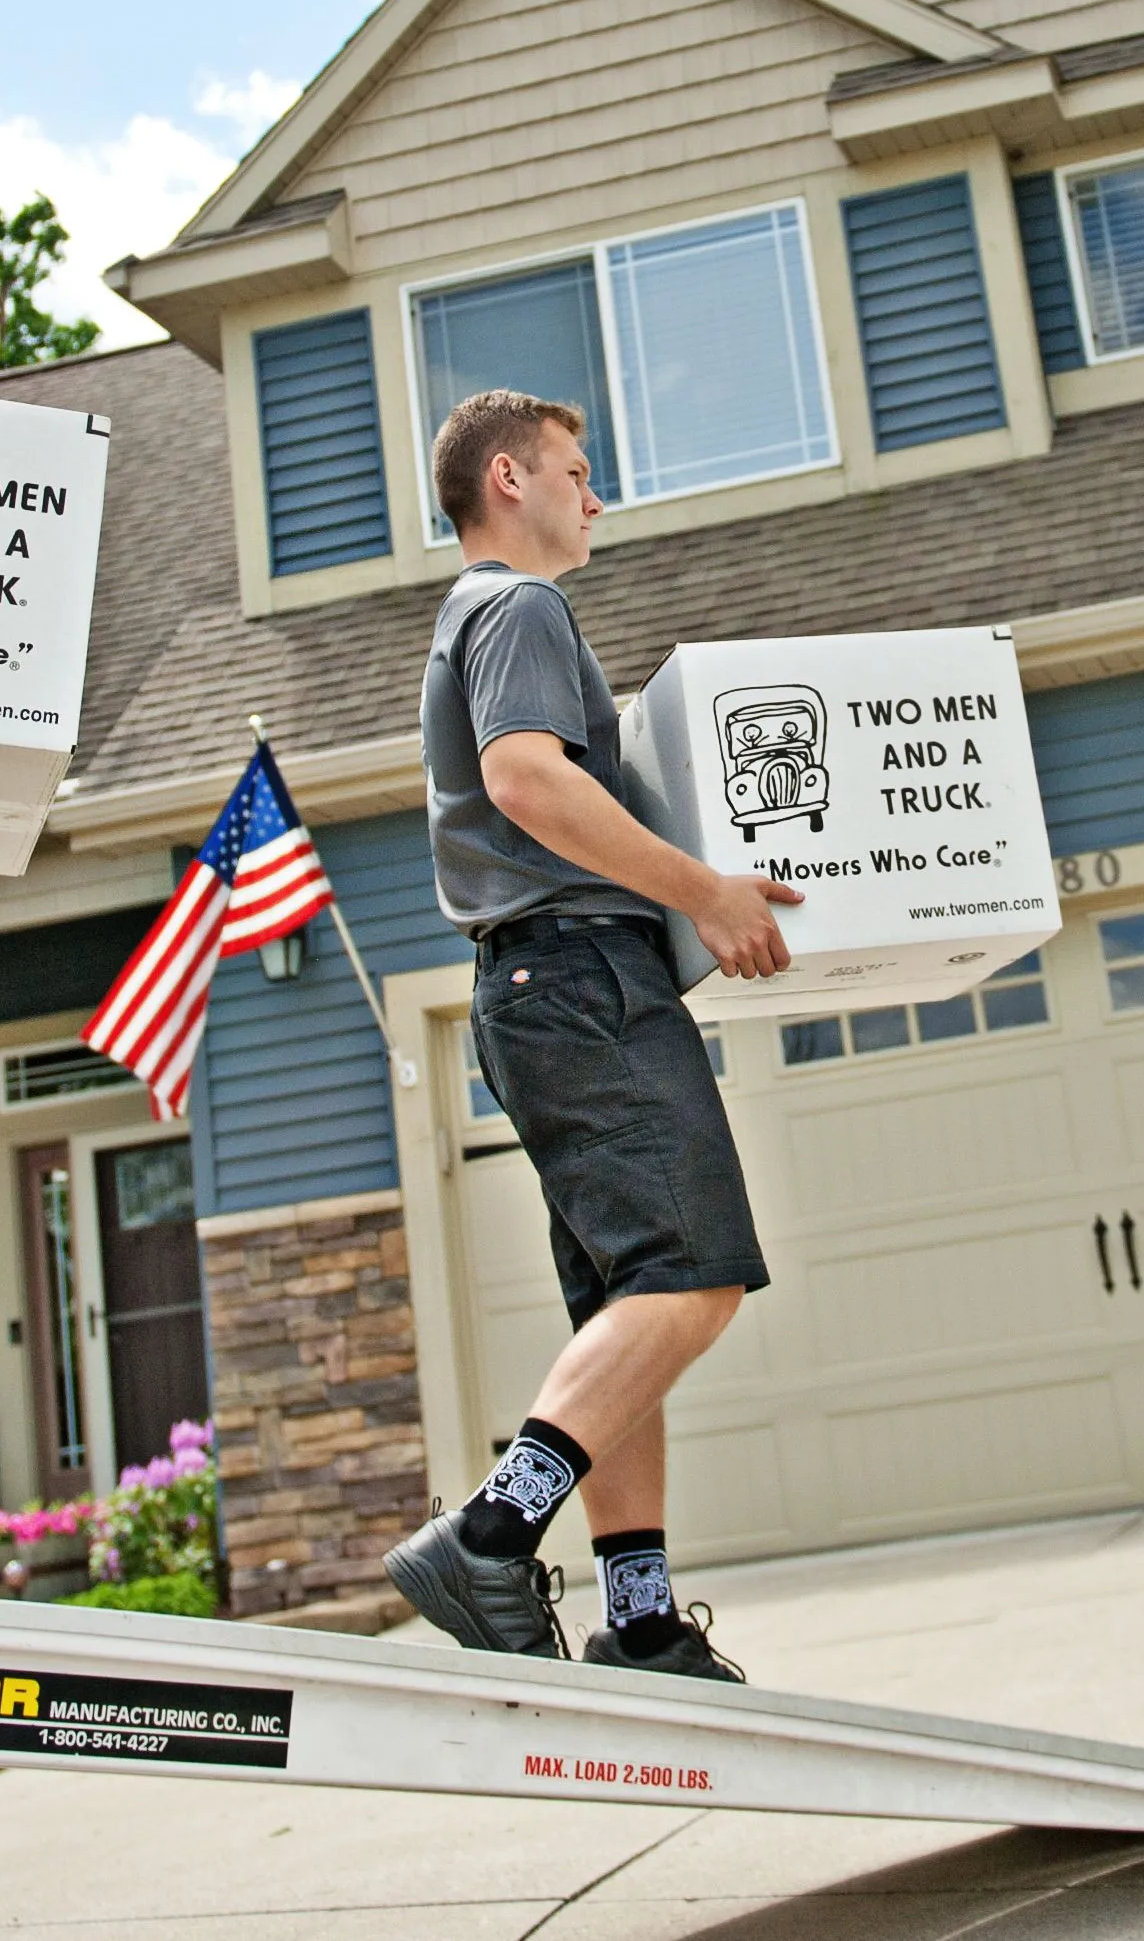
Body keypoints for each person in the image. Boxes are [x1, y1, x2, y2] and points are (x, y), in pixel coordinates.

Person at [382, 389, 803, 1680]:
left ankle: (640, 1617)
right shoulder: (515, 607)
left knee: (631, 1307)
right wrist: (704, 890)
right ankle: (492, 1532)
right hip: (580, 981)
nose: (595, 493)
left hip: (540, 992)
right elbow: (524, 776)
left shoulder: (480, 618)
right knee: (692, 1275)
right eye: (576, 469)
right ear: (506, 480)